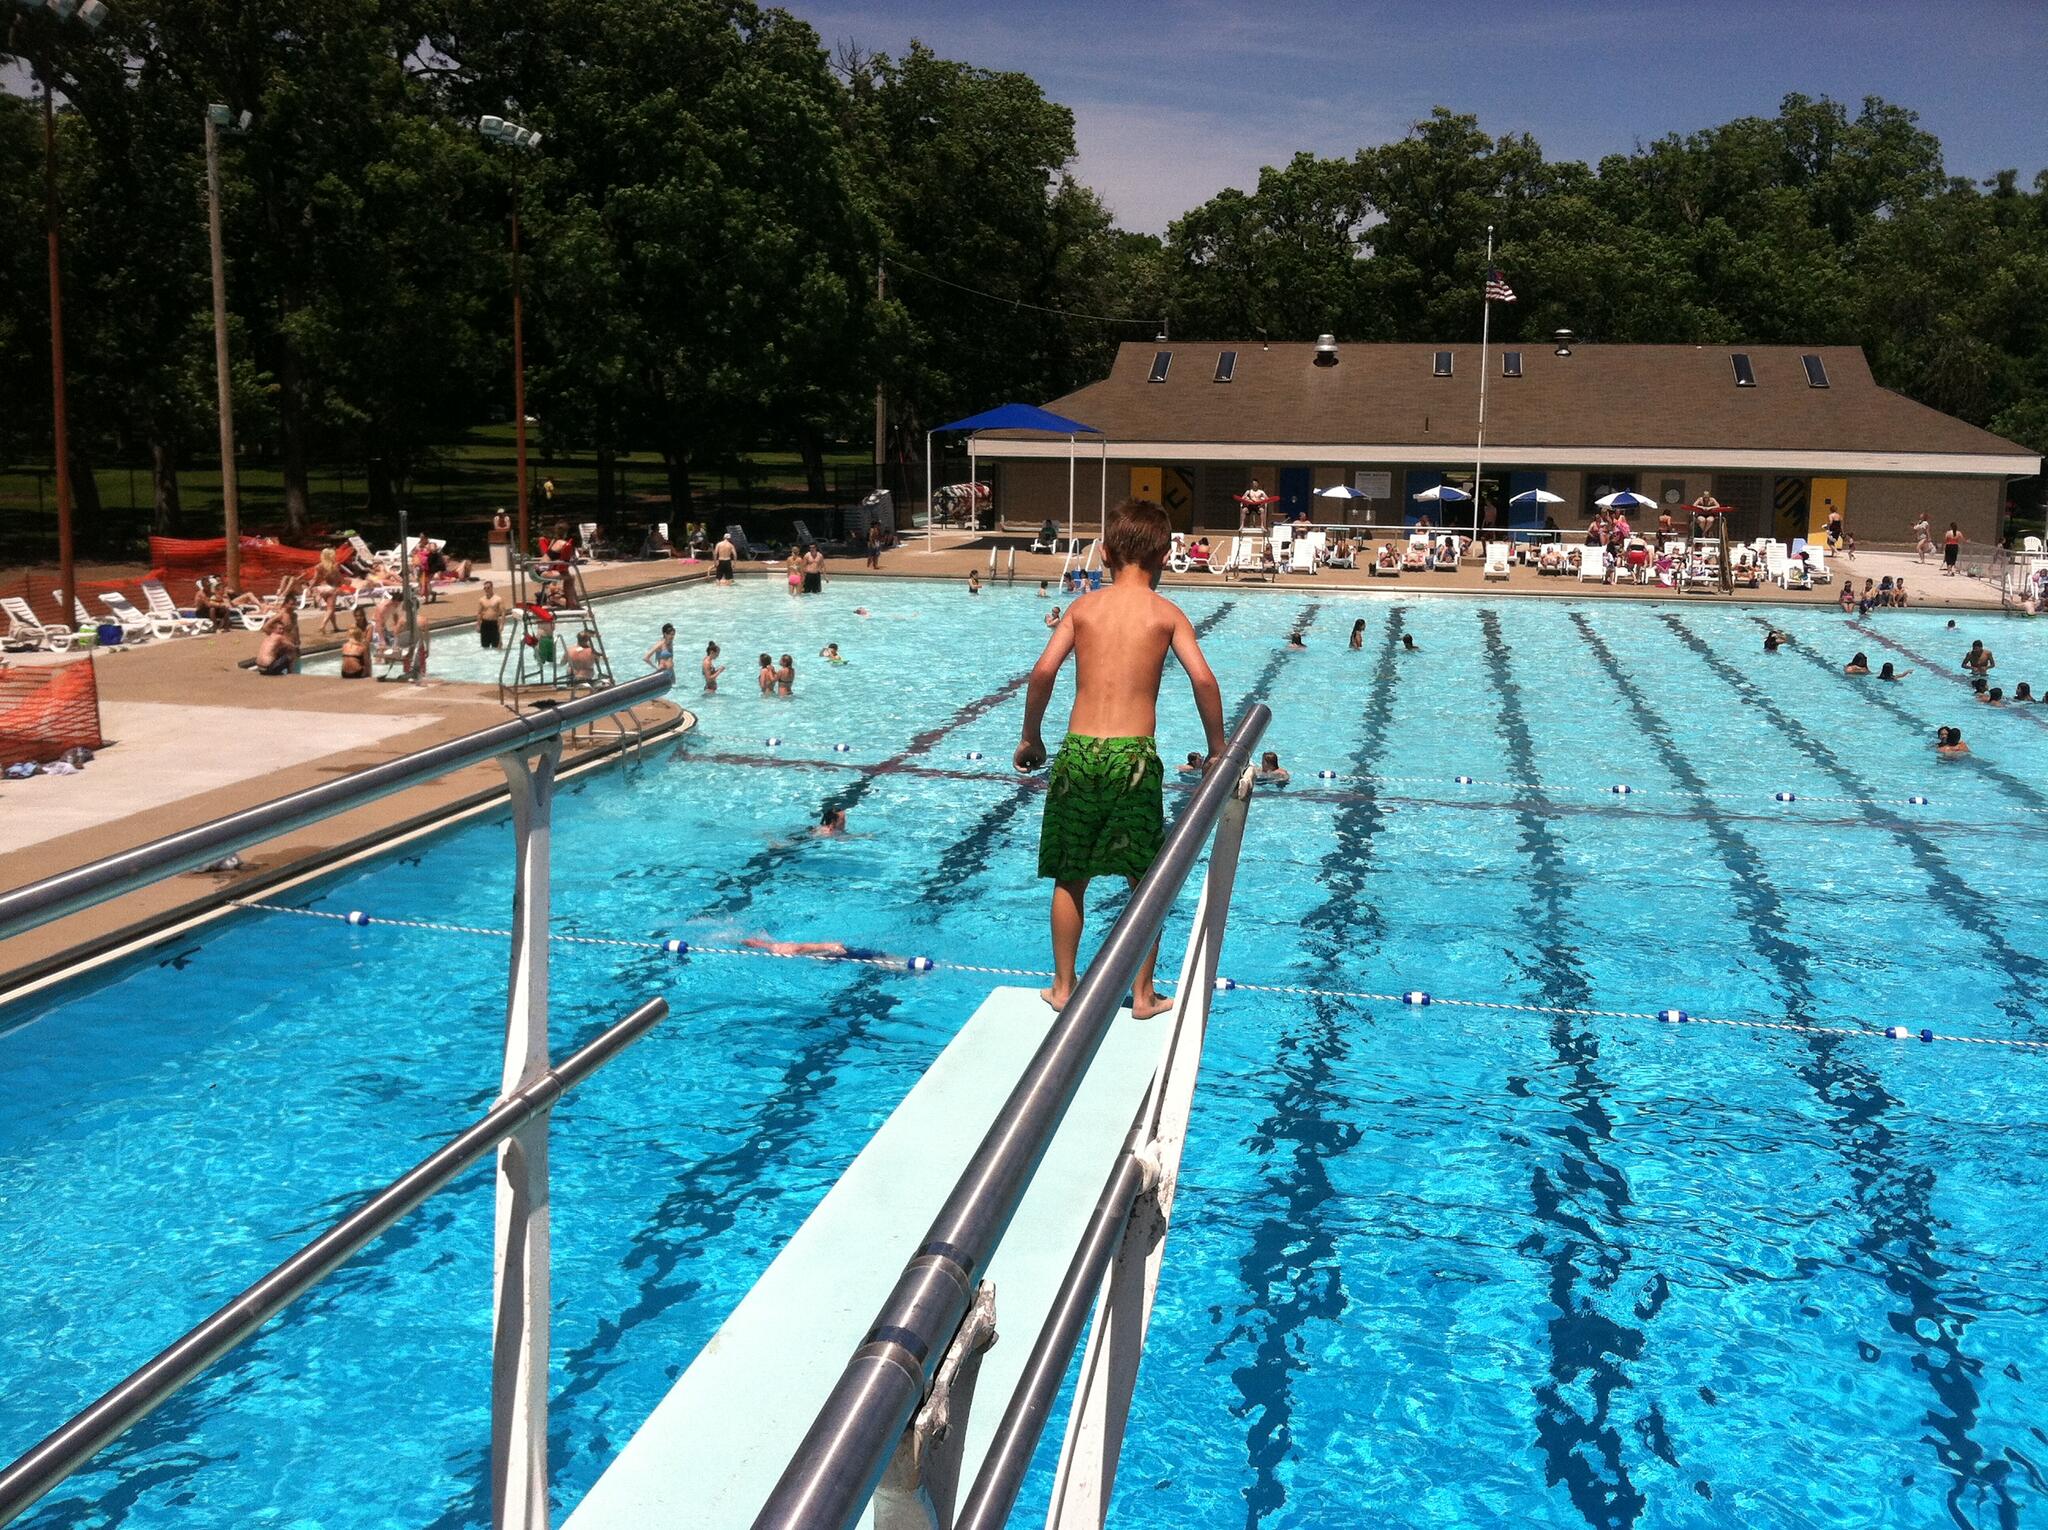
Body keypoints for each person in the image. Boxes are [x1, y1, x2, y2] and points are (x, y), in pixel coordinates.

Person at [1014, 497, 1224, 1018]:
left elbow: (1042, 673)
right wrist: (1218, 750)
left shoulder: (1083, 608)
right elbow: (1203, 679)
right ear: (1167, 557)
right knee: (1144, 880)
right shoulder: (1166, 614)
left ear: (1104, 553)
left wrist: (1030, 736)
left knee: (1071, 875)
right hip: (1132, 758)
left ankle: (1063, 987)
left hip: (1079, 752)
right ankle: (1143, 993)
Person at [339, 608, 372, 679]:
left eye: (360, 616)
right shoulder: (353, 626)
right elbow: (350, 639)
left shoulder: (369, 627)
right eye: (356, 616)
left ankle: (369, 676)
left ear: (363, 616)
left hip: (364, 649)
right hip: (357, 648)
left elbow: (367, 641)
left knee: (367, 663)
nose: (358, 618)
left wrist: (356, 642)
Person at [477, 581, 506, 648]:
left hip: (494, 624)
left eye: (488, 588)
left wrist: (502, 625)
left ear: (492, 588)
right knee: (484, 646)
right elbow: (479, 613)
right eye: (485, 588)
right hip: (484, 624)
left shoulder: (498, 599)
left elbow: (503, 612)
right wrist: (478, 625)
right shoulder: (481, 600)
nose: (486, 589)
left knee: (496, 646)